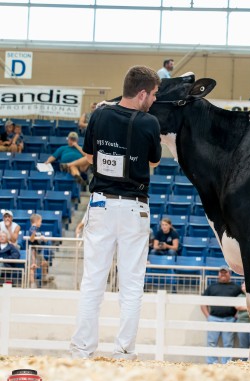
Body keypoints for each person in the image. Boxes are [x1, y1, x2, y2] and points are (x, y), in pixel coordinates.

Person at [70, 65, 161, 360]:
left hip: (101, 202)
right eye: (154, 94)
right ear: (143, 93)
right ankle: (123, 352)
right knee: (132, 284)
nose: (155, 100)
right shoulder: (149, 123)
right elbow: (154, 162)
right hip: (135, 206)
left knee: (93, 280)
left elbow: (88, 154)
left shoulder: (99, 114)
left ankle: (82, 350)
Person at [201, 266, 243, 364]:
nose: (223, 274)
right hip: (213, 319)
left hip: (229, 319)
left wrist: (236, 315)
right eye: (221, 273)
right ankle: (212, 363)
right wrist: (208, 317)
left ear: (230, 274)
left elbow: (243, 300)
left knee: (228, 344)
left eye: (225, 273)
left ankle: (226, 364)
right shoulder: (212, 287)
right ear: (218, 274)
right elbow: (203, 303)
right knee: (211, 343)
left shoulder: (236, 288)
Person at [27, 213, 49, 286]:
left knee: (44, 263)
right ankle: (32, 283)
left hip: (38, 251)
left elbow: (42, 238)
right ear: (36, 221)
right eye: (40, 221)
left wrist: (43, 237)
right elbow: (32, 239)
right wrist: (33, 234)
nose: (41, 223)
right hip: (33, 251)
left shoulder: (38, 230)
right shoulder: (32, 229)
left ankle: (45, 277)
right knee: (33, 266)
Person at [235, 282, 250, 360]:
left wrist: (244, 307)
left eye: (244, 284)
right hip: (242, 323)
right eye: (242, 285)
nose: (242, 286)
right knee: (243, 345)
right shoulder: (240, 296)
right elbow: (238, 307)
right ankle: (243, 362)